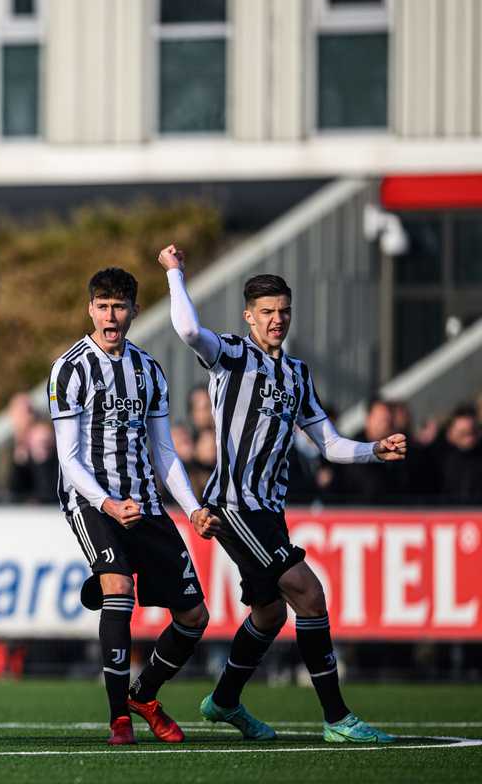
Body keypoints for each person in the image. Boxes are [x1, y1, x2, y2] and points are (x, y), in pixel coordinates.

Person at [162, 243, 407, 744]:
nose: (278, 320)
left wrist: (374, 450)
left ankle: (225, 700)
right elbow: (188, 330)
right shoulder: (231, 354)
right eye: (268, 312)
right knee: (310, 596)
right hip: (233, 506)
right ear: (249, 317)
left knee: (270, 613)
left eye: (284, 311)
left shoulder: (296, 376)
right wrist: (175, 274)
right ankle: (337, 717)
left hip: (267, 512)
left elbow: (331, 444)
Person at [49, 267, 218, 746]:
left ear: (134, 312)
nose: (111, 316)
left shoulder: (148, 370)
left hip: (143, 501)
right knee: (118, 588)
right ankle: (118, 718)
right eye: (102, 306)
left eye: (119, 307)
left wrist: (192, 507)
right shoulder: (70, 368)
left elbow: (164, 453)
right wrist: (106, 502)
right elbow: (68, 458)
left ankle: (143, 695)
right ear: (90, 310)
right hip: (91, 500)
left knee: (194, 618)